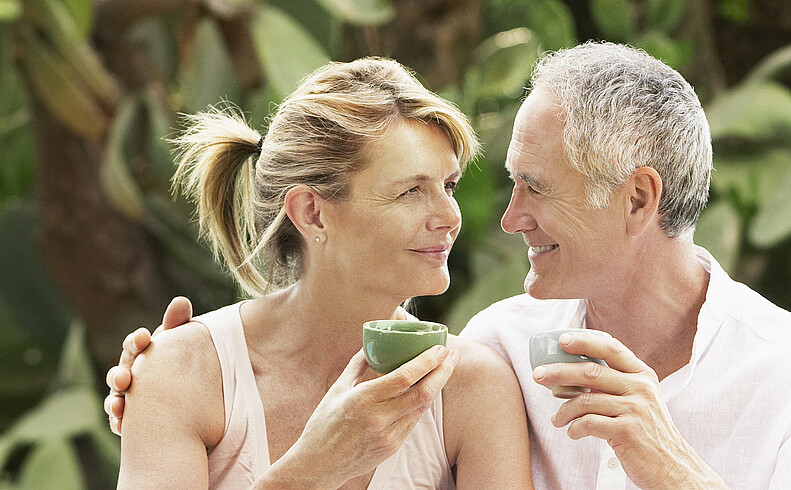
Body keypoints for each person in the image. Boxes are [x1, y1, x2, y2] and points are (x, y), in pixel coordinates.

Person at [108, 42, 791, 488]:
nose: (489, 221)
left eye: (534, 188)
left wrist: (670, 467)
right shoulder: (500, 346)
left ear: (638, 200)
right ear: (313, 213)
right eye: (414, 190)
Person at [115, 57, 533, 488]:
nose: (449, 217)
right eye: (410, 191)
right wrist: (313, 469)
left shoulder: (472, 388)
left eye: (448, 186)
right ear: (313, 214)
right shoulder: (182, 372)